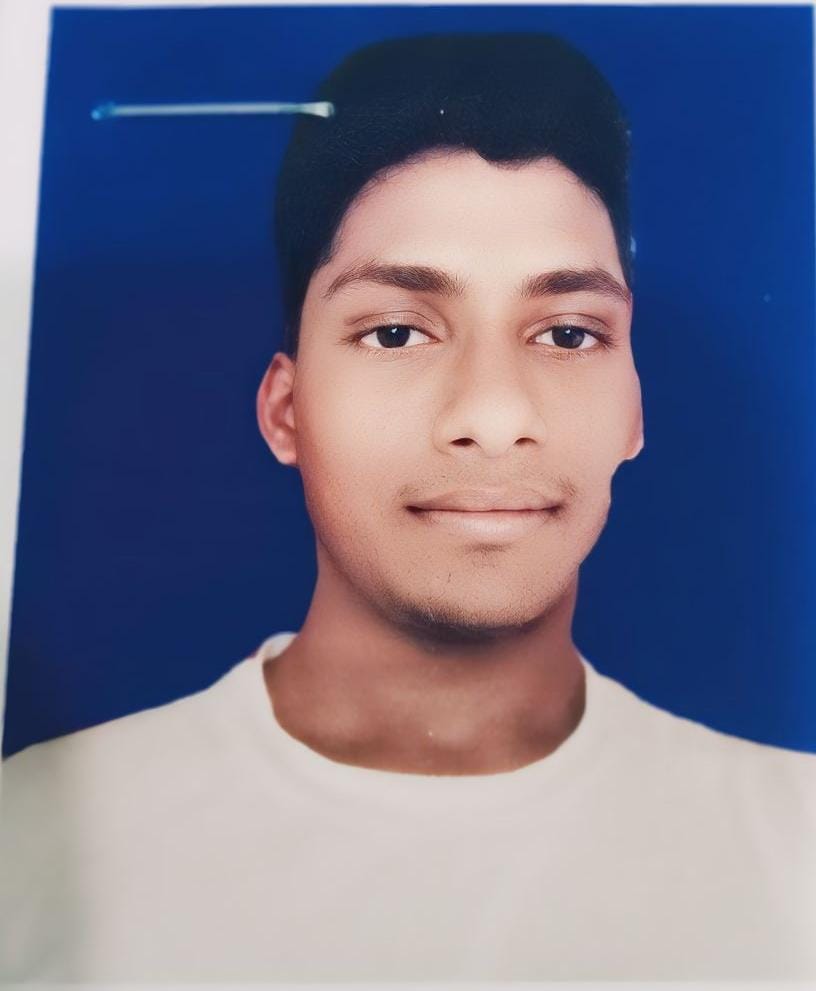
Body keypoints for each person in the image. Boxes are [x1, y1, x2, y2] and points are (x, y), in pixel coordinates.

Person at [1, 31, 814, 982]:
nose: (494, 417)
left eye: (566, 333)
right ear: (286, 409)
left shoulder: (794, 845)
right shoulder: (32, 840)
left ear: (635, 411)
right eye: (396, 332)